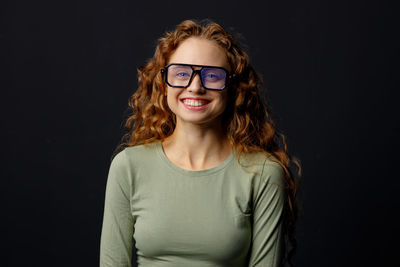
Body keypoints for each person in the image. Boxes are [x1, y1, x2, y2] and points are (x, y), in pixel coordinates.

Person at [100, 19, 301, 267]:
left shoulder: (262, 173)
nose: (195, 87)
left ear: (232, 88)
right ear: (163, 84)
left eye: (213, 76)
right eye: (181, 73)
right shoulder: (128, 167)